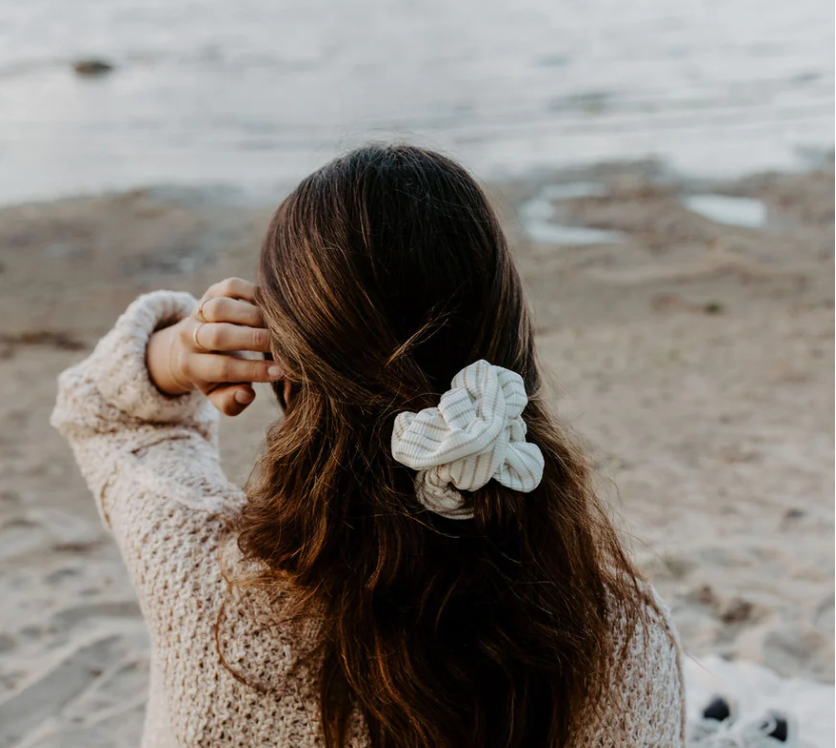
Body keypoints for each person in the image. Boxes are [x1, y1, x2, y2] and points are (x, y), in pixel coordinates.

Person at [52, 144, 686, 747]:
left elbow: (102, 413)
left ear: (288, 360)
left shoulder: (198, 581)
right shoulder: (623, 643)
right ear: (507, 339)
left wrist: (177, 353)